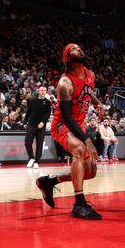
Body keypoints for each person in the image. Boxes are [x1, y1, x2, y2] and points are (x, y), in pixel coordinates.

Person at [35, 43, 103, 220]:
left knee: (91, 172)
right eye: (74, 49)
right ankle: (79, 203)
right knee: (80, 150)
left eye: (80, 48)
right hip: (62, 125)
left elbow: (87, 91)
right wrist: (87, 140)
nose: (79, 50)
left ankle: (49, 182)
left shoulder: (90, 74)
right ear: (68, 58)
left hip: (78, 124)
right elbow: (67, 118)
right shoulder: (65, 83)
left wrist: (96, 102)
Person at [24, 86, 52, 169]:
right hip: (31, 124)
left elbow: (47, 114)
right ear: (38, 91)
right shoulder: (33, 101)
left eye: (44, 90)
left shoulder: (47, 102)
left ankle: (37, 161)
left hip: (41, 126)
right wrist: (25, 122)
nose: (43, 92)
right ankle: (31, 158)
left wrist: (43, 122)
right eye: (41, 90)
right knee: (27, 142)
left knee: (39, 144)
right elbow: (28, 112)